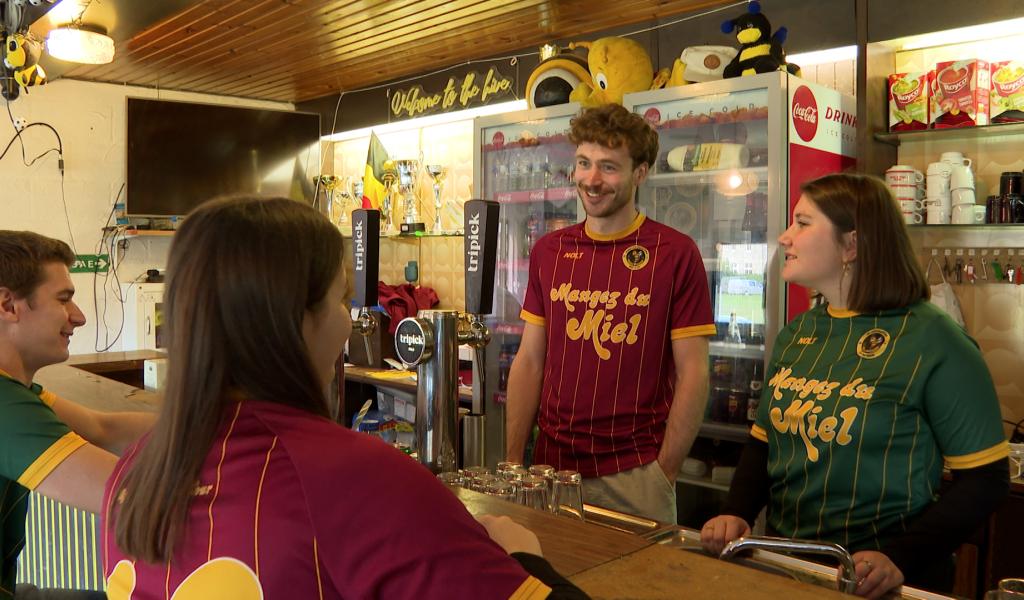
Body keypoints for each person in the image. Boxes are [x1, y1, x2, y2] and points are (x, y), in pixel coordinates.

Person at [103, 196, 587, 599]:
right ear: (296, 320)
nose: (350, 320)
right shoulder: (357, 478)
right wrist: (524, 555)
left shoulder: (138, 471)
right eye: (341, 299)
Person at [701, 173, 1010, 599]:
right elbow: (764, 443)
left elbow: (987, 479)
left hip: (878, 581)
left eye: (803, 223)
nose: (785, 237)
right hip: (784, 565)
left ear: (852, 245)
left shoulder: (934, 340)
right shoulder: (800, 332)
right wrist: (736, 512)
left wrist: (899, 557)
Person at [505, 103, 715, 524]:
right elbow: (529, 362)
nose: (591, 180)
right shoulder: (550, 250)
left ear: (640, 173)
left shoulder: (675, 253)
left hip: (634, 474)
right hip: (550, 468)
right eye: (584, 163)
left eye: (608, 167)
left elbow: (693, 373)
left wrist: (664, 473)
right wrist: (513, 463)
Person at [0, 231, 155, 600]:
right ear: (7, 305)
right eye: (64, 299)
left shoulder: (15, 393)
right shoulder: (5, 406)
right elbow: (128, 496)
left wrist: (234, 422)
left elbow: (104, 427)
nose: (79, 317)